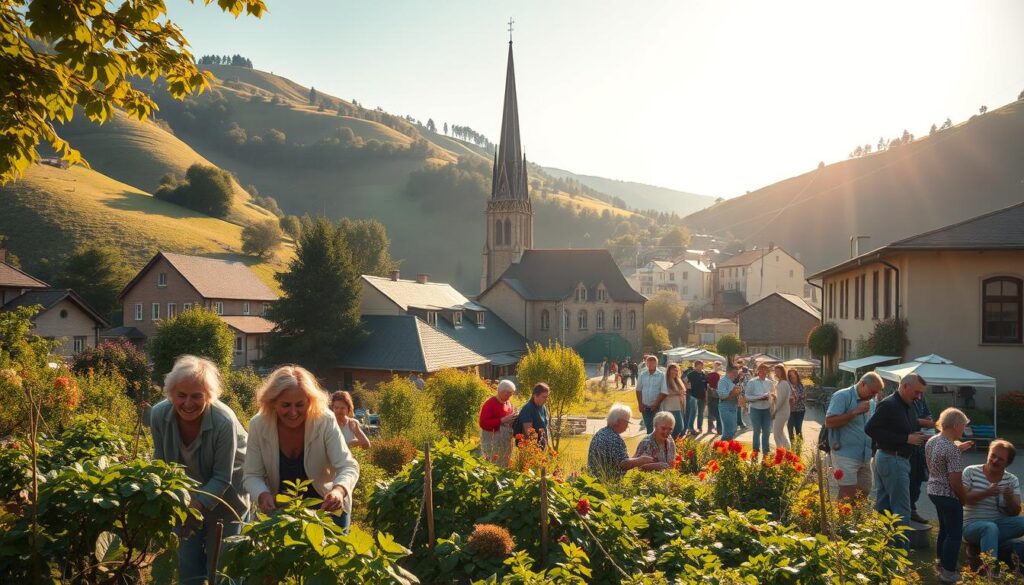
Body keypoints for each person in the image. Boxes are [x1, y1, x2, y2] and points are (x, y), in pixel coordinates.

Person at [149, 355, 249, 584]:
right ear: (171, 393)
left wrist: (196, 504)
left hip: (228, 499)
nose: (188, 403)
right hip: (185, 500)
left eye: (197, 396)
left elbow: (223, 477)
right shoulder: (158, 415)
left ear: (209, 396)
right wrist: (178, 504)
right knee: (187, 562)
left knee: (222, 566)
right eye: (181, 395)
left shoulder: (223, 421)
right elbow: (161, 464)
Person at [244, 366, 360, 530]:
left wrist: (339, 491)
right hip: (280, 514)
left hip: (326, 512)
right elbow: (251, 474)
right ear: (272, 403)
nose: (293, 412)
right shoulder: (258, 425)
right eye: (286, 405)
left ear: (310, 402)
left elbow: (347, 466)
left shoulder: (324, 421)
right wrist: (263, 495)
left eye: (300, 405)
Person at [864, 373, 928, 548]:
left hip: (893, 458)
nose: (919, 396)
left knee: (884, 506)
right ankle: (901, 555)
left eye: (921, 393)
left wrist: (921, 436)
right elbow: (870, 429)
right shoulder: (889, 404)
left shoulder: (909, 405)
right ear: (905, 386)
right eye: (916, 392)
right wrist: (905, 439)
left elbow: (910, 428)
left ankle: (882, 549)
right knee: (902, 510)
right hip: (892, 458)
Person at [925, 408, 973, 584]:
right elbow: (955, 481)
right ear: (956, 425)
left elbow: (937, 463)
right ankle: (949, 572)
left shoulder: (932, 441)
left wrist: (958, 449)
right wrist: (964, 497)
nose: (963, 430)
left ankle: (940, 562)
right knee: (954, 534)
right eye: (963, 426)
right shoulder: (951, 449)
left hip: (933, 490)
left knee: (944, 530)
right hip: (947, 494)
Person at [962, 440, 1024, 569]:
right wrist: (986, 493)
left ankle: (986, 548)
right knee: (989, 528)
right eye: (993, 456)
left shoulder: (1011, 479)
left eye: (1000, 459)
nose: (995, 461)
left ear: (1008, 462)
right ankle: (990, 571)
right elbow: (963, 499)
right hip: (972, 526)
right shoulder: (971, 471)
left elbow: (1015, 512)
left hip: (999, 525)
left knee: (1020, 522)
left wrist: (1009, 500)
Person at [825, 371, 884, 500]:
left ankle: (854, 520)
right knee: (847, 494)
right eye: (872, 392)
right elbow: (829, 422)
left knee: (864, 491)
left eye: (876, 393)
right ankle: (840, 520)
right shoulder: (842, 396)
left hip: (865, 455)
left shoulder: (871, 402)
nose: (874, 396)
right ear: (862, 384)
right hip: (844, 454)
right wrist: (854, 412)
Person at [587, 403, 656, 477]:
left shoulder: (600, 433)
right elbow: (623, 464)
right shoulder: (614, 438)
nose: (628, 426)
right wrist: (641, 460)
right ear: (617, 421)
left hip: (593, 479)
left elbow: (617, 460)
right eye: (627, 422)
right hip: (607, 482)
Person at [479, 380, 517, 466]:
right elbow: (483, 423)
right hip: (491, 438)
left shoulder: (508, 403)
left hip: (505, 439)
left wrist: (513, 418)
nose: (509, 396)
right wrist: (502, 420)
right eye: (507, 393)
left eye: (511, 394)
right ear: (500, 391)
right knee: (493, 462)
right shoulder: (490, 403)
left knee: (505, 461)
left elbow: (508, 418)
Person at [909, 394, 935, 523]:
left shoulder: (920, 400)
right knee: (906, 482)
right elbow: (906, 420)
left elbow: (929, 419)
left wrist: (926, 422)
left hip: (920, 447)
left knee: (917, 479)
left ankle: (912, 510)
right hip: (905, 449)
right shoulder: (898, 402)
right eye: (917, 391)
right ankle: (902, 513)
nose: (919, 395)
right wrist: (921, 421)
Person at [744, 363, 773, 454]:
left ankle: (766, 451)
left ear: (767, 371)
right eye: (761, 370)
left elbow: (772, 394)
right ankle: (755, 450)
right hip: (755, 409)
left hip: (767, 409)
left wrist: (771, 397)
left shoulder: (770, 382)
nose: (763, 372)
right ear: (758, 371)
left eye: (765, 370)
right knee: (756, 431)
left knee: (767, 431)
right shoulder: (752, 382)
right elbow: (747, 396)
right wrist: (759, 398)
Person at [635, 355, 668, 433]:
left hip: (657, 407)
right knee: (649, 428)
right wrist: (640, 404)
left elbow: (664, 392)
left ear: (656, 364)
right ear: (646, 364)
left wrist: (655, 405)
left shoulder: (661, 375)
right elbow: (638, 390)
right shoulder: (642, 374)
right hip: (645, 406)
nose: (650, 365)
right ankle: (650, 444)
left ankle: (656, 444)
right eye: (649, 363)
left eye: (653, 363)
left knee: (657, 427)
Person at [515, 382, 551, 448]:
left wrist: (547, 446)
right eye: (544, 397)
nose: (546, 399)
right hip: (530, 448)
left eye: (547, 397)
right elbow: (528, 433)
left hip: (540, 446)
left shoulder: (542, 407)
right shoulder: (528, 409)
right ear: (535, 395)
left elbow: (544, 428)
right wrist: (535, 451)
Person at [716, 365, 744, 440]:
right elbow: (722, 395)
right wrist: (733, 392)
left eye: (737, 373)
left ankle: (727, 448)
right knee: (729, 431)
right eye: (735, 373)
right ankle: (721, 448)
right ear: (729, 372)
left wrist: (739, 393)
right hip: (725, 406)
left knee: (733, 429)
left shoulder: (731, 381)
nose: (736, 375)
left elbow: (735, 394)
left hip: (733, 406)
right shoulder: (723, 381)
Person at [662, 363, 686, 438]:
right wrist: (677, 393)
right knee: (679, 427)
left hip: (678, 407)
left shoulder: (677, 380)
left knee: (679, 427)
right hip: (670, 407)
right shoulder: (665, 381)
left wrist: (681, 395)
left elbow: (682, 392)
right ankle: (669, 441)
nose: (675, 372)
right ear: (669, 371)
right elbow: (665, 393)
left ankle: (671, 442)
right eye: (673, 370)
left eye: (676, 370)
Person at [771, 364, 792, 450]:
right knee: (780, 432)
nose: (776, 373)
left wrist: (774, 412)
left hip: (781, 412)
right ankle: (786, 450)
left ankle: (782, 451)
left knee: (776, 433)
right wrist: (775, 397)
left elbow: (782, 400)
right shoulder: (781, 382)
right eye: (775, 371)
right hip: (783, 411)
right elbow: (781, 398)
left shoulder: (783, 383)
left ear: (782, 372)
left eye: (778, 371)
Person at [685, 360, 709, 435]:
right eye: (698, 366)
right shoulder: (691, 374)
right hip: (693, 396)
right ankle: (690, 428)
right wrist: (687, 388)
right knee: (693, 412)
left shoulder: (703, 374)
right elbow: (684, 381)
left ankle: (699, 427)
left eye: (701, 366)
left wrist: (706, 397)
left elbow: (705, 387)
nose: (700, 367)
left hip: (702, 396)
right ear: (695, 366)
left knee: (701, 413)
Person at [786, 369, 806, 443]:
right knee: (790, 428)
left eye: (793, 375)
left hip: (800, 410)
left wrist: (797, 397)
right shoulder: (788, 386)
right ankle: (792, 445)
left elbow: (803, 395)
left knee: (798, 428)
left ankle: (799, 446)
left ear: (796, 375)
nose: (792, 377)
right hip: (791, 410)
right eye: (790, 376)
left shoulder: (800, 385)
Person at [705, 362, 722, 435]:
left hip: (714, 395)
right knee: (716, 413)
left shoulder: (713, 374)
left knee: (712, 412)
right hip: (714, 395)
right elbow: (707, 385)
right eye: (717, 366)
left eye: (718, 366)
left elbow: (707, 385)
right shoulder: (714, 374)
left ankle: (712, 428)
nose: (718, 367)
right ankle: (718, 429)